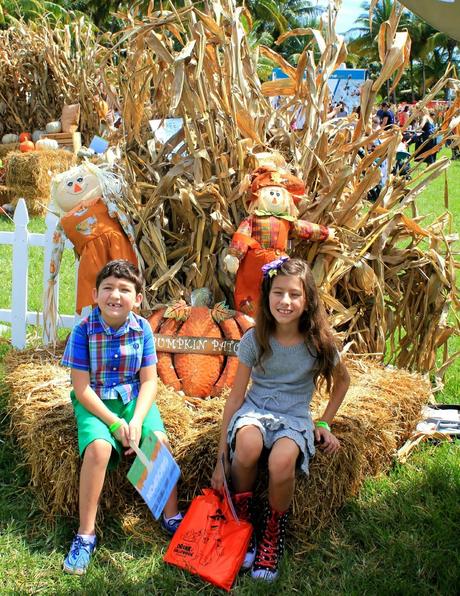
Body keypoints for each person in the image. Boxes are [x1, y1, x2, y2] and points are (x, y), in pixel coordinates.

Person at [211, 257, 350, 582]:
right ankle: (243, 523)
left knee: (281, 462)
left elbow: (342, 382)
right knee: (246, 447)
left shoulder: (319, 344)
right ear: (267, 295)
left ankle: (273, 532)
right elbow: (235, 399)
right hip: (256, 408)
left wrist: (324, 422)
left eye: (294, 294)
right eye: (278, 293)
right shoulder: (254, 339)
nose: (285, 301)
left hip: (293, 415)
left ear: (308, 300)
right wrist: (222, 457)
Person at [61, 259, 182, 575]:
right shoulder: (83, 331)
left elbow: (149, 381)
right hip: (96, 401)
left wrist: (138, 420)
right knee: (99, 449)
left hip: (133, 400)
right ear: (95, 294)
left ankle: (171, 516)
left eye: (125, 290)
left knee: (158, 439)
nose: (116, 295)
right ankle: (85, 534)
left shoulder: (142, 329)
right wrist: (113, 425)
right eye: (108, 288)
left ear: (138, 299)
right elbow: (81, 388)